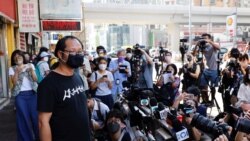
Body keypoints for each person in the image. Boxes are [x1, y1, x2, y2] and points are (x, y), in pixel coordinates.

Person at [37, 36, 91, 141]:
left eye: (80, 51)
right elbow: (43, 122)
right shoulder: (48, 84)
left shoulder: (77, 77)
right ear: (60, 54)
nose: (78, 55)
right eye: (73, 51)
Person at [9, 50, 39, 141]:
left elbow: (35, 79)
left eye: (19, 56)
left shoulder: (30, 65)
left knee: (36, 118)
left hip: (33, 94)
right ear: (14, 59)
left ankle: (39, 138)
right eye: (15, 56)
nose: (18, 57)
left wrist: (31, 71)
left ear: (22, 57)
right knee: (23, 119)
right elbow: (14, 83)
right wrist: (17, 72)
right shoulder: (12, 68)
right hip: (20, 96)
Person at [194, 33, 220, 104]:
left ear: (209, 38)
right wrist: (197, 44)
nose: (204, 40)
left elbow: (218, 48)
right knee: (203, 86)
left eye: (205, 38)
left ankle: (212, 100)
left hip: (213, 69)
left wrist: (209, 41)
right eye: (202, 38)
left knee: (213, 86)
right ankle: (205, 100)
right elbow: (194, 54)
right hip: (205, 69)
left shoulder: (212, 46)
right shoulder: (202, 46)